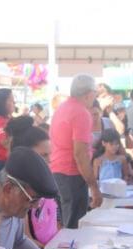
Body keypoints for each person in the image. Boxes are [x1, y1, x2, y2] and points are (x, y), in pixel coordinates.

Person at [50, 74, 103, 228]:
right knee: (73, 226)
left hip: (59, 170)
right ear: (88, 94)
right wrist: (94, 187)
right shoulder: (81, 113)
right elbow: (80, 154)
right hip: (72, 174)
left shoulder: (63, 107)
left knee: (65, 222)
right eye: (95, 92)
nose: (95, 96)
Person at [7, 116, 59, 247]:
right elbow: (23, 240)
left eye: (49, 154)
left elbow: (55, 222)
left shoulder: (42, 182)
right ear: (25, 154)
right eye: (43, 155)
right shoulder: (19, 191)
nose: (49, 161)